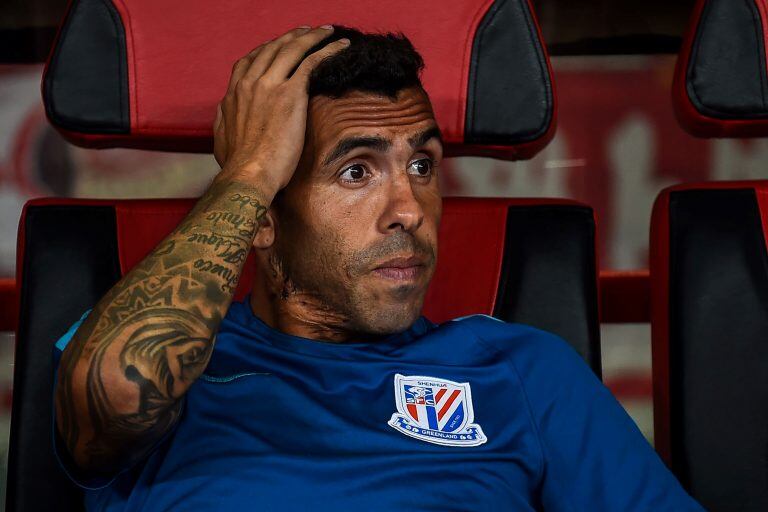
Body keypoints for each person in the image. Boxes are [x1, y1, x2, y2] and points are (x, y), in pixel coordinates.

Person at [52, 24, 704, 511]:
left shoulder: (521, 371)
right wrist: (249, 171)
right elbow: (111, 400)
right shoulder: (172, 365)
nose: (409, 210)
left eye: (422, 166)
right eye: (357, 170)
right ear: (263, 216)